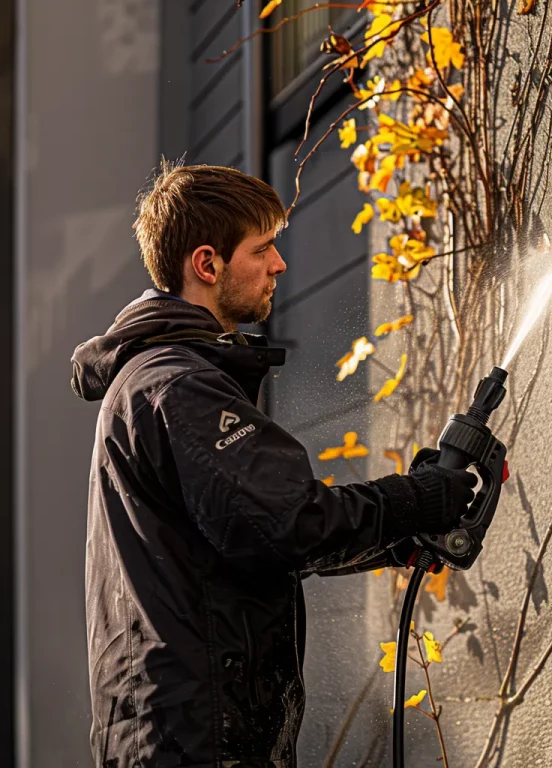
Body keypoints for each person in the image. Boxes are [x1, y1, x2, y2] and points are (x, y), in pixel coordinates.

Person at [71, 162, 476, 768]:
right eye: (262, 249)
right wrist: (416, 500)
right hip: (197, 745)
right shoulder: (178, 387)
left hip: (181, 736)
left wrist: (395, 538)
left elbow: (252, 541)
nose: (280, 265)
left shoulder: (162, 381)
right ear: (207, 265)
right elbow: (289, 524)